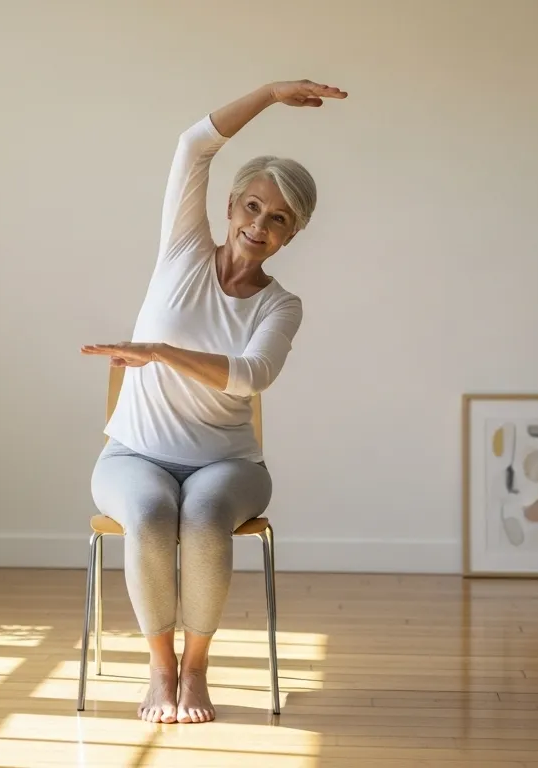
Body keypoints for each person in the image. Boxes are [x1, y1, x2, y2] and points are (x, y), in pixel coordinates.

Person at [81, 79, 346, 724]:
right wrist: (272, 92)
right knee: (148, 512)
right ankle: (161, 671)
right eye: (252, 207)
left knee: (201, 518)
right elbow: (194, 145)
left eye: (278, 218)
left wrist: (161, 352)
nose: (259, 225)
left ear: (293, 233)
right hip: (133, 453)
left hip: (229, 466)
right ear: (230, 206)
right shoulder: (183, 250)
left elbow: (251, 376)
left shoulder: (280, 304)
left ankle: (197, 672)